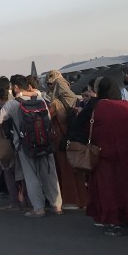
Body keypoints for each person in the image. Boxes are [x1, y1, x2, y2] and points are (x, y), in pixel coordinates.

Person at [0, 75, 62, 217]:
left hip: (25, 145)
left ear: (16, 87)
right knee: (49, 174)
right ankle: (57, 206)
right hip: (45, 142)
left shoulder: (13, 104)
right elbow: (45, 108)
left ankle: (39, 209)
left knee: (31, 177)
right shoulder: (39, 99)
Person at [87, 77, 128, 236]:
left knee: (110, 190)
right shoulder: (126, 106)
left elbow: (93, 132)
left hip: (105, 155)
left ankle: (116, 223)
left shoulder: (99, 107)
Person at [46, 69, 86, 209]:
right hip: (72, 137)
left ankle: (70, 199)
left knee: (65, 169)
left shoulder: (56, 104)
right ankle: (82, 199)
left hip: (60, 138)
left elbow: (48, 119)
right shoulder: (74, 104)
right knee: (77, 170)